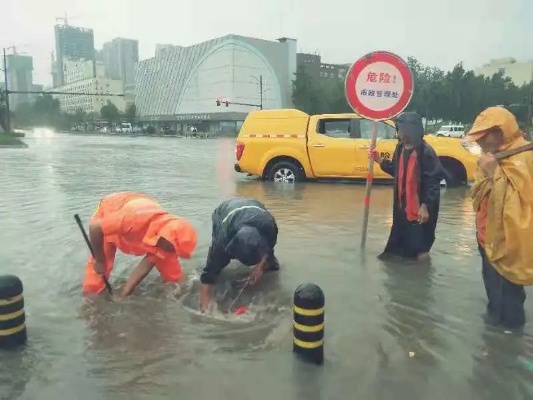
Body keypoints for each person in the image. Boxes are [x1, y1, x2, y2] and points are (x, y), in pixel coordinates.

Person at [468, 106, 533, 329]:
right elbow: (477, 195)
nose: (479, 143)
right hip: (486, 238)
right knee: (493, 297)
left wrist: (493, 173)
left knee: (510, 301)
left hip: (509, 241)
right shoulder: (492, 157)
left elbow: (520, 204)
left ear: (499, 132)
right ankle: (494, 339)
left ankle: (510, 345)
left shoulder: (524, 158)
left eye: (483, 137)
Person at [83, 192, 197, 297]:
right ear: (165, 238)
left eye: (175, 250)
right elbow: (95, 228)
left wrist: (124, 293)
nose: (171, 252)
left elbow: (147, 263)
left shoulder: (167, 236)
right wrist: (100, 260)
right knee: (97, 275)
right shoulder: (132, 218)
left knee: (174, 278)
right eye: (171, 248)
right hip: (111, 210)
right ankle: (91, 304)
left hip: (139, 209)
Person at [369, 111, 442, 261]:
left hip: (420, 212)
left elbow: (432, 182)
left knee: (420, 249)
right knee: (398, 249)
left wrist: (426, 206)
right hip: (401, 209)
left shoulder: (426, 152)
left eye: (400, 129)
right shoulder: (400, 149)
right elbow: (395, 170)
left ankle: (422, 277)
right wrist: (379, 160)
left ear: (410, 130)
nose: (398, 132)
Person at [199, 198, 279, 312]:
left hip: (256, 209)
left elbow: (269, 248)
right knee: (216, 267)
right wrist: (205, 303)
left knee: (271, 266)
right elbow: (207, 275)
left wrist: (259, 267)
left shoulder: (269, 228)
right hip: (224, 212)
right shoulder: (222, 241)